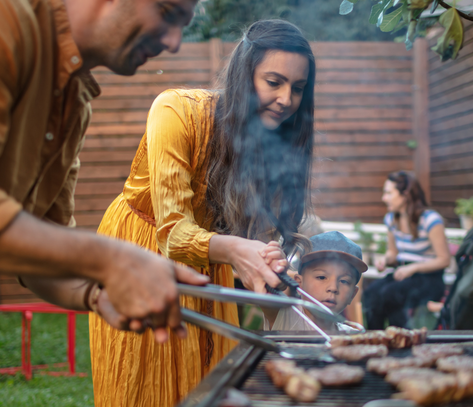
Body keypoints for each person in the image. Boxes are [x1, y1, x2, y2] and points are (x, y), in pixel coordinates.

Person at [89, 20, 316, 406]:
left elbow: (252, 229)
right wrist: (236, 250)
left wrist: (266, 255)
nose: (286, 99)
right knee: (148, 382)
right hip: (142, 249)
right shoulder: (175, 110)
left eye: (297, 88)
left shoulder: (270, 139)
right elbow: (173, 233)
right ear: (245, 76)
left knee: (213, 377)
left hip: (214, 256)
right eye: (273, 82)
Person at [0, 0, 207, 342]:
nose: (174, 43)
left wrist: (97, 292)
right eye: (168, 13)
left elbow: (42, 244)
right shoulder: (10, 18)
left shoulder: (75, 101)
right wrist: (111, 259)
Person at [362, 171, 451, 329]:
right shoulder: (391, 219)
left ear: (405, 194)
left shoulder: (430, 220)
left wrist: (413, 267)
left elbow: (444, 260)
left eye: (388, 193)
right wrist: (385, 260)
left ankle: (402, 339)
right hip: (404, 275)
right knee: (371, 293)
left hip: (429, 279)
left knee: (390, 294)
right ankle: (376, 337)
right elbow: (393, 253)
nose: (384, 198)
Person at [262, 231, 368, 332]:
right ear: (299, 283)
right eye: (321, 277)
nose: (333, 288)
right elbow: (264, 280)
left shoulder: (350, 336)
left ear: (353, 294)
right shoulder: (282, 316)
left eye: (344, 281)